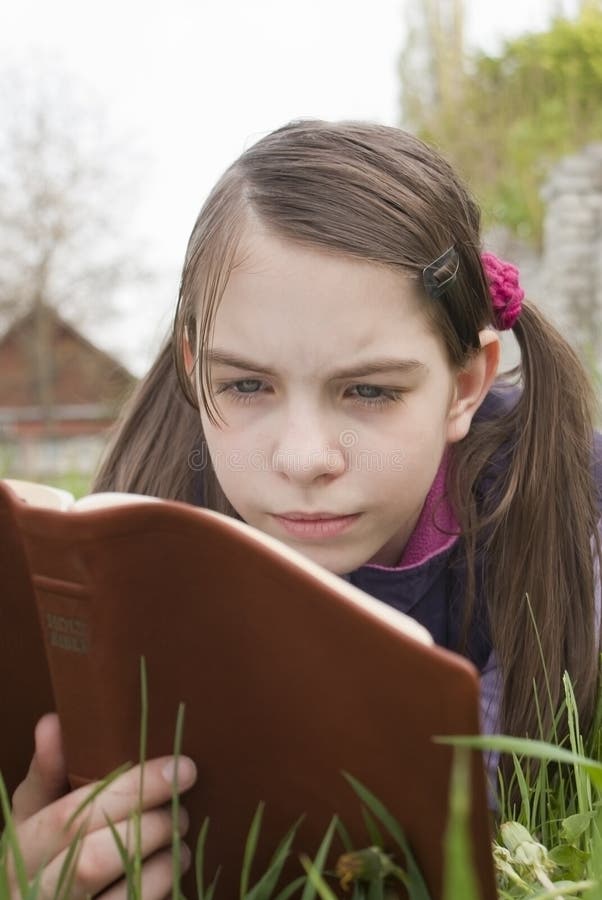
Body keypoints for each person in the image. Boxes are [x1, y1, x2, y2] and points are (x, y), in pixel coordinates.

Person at [9, 119, 602, 896]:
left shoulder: (560, 500)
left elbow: (474, 811)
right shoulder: (142, 518)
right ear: (196, 369)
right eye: (247, 386)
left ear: (465, 384)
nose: (303, 458)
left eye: (369, 391)